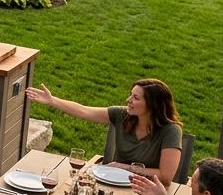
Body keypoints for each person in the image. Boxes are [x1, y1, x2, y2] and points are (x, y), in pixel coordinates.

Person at [26, 79, 182, 185]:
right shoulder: (123, 115)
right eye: (131, 94)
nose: (128, 100)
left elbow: (166, 177)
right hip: (114, 183)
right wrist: (52, 100)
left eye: (136, 98)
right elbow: (84, 111)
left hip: (149, 192)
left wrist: (124, 167)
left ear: (152, 105)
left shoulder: (171, 130)